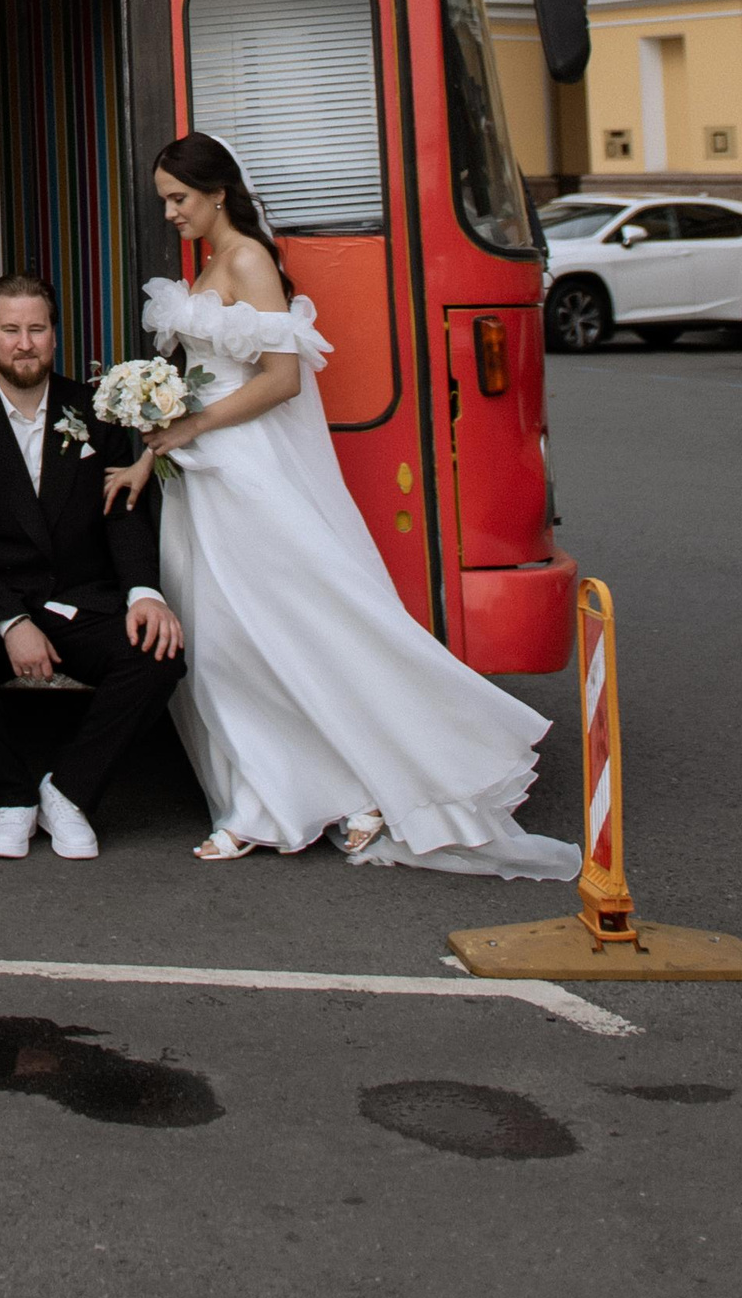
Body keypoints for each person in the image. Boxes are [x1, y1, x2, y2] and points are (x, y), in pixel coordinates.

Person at [111, 132, 581, 879]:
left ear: (218, 193)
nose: (170, 212)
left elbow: (283, 379)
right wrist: (151, 449)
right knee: (223, 647)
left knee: (291, 630)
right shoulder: (205, 267)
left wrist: (192, 425)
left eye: (179, 198)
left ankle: (356, 787)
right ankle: (264, 798)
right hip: (201, 478)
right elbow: (193, 383)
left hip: (247, 473)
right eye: (165, 200)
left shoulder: (249, 261)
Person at [0, 272, 186, 858]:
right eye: (10, 329)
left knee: (157, 653)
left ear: (54, 337)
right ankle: (11, 796)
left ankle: (69, 792)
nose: (24, 343)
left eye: (37, 329)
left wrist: (144, 591)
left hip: (76, 595)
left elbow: (124, 512)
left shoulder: (96, 412)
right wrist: (12, 622)